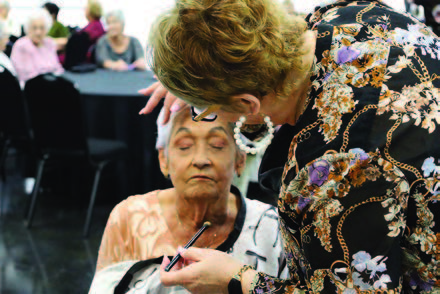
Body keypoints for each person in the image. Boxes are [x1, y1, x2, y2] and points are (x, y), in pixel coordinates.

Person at [139, 0, 440, 292]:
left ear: (246, 103)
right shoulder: (353, 14)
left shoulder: (332, 172)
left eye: (207, 110)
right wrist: (204, 76)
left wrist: (236, 281)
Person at [88, 106, 287, 293]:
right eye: (184, 146)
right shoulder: (130, 217)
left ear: (240, 160)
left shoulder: (271, 227)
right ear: (163, 160)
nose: (200, 159)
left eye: (217, 145)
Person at [10, 8, 63, 84]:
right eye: (34, 28)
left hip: (52, 84)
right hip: (30, 87)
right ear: (28, 28)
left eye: (42, 28)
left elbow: (57, 68)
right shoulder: (21, 45)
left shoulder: (49, 42)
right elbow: (23, 75)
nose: (38, 32)